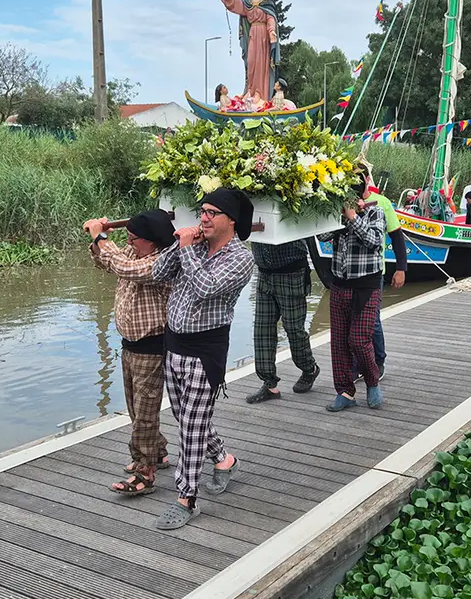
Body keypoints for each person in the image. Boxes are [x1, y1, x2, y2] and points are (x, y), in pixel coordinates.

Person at [151, 187, 255, 531]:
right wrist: (179, 243)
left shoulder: (241, 258)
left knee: (192, 427)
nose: (204, 218)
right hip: (173, 345)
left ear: (231, 220)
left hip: (205, 352)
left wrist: (188, 251)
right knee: (187, 421)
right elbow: (158, 273)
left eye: (212, 213)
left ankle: (186, 498)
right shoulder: (193, 246)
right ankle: (224, 460)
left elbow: (205, 287)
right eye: (202, 212)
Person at [86, 210, 176, 497]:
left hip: (152, 349)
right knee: (137, 410)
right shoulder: (134, 254)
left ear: (152, 240)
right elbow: (106, 262)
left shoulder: (161, 262)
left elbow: (122, 266)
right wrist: (98, 241)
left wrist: (101, 236)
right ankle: (157, 453)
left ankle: (144, 472)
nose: (129, 242)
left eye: (134, 238)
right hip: (130, 346)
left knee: (145, 416)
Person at [318, 176, 387, 413]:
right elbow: (322, 236)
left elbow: (374, 240)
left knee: (358, 339)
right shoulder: (338, 213)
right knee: (338, 342)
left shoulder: (375, 212)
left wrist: (353, 217)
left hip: (367, 285)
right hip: (340, 283)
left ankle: (372, 381)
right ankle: (345, 391)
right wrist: (337, 215)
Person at [246, 238, 321, 404]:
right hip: (264, 272)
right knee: (262, 330)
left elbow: (319, 231)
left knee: (294, 329)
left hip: (292, 272)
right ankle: (269, 383)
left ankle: (309, 368)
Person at [360, 165, 407, 383]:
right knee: (352, 321)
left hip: (374, 270)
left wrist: (401, 268)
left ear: (367, 179)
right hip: (349, 272)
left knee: (373, 320)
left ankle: (379, 361)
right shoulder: (341, 201)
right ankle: (357, 364)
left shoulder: (382, 203)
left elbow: (396, 236)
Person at [218, 0, 280, 100]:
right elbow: (234, 4)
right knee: (251, 63)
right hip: (252, 35)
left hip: (264, 36)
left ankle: (260, 93)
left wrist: (271, 31)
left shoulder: (267, 2)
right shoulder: (248, 3)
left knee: (262, 65)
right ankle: (250, 90)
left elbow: (271, 17)